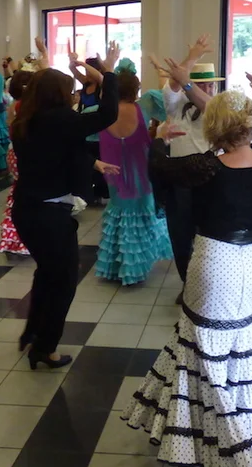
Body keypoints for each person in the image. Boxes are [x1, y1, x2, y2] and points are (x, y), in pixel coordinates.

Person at [123, 89, 252, 467]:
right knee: (240, 339)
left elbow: (157, 166)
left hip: (215, 259)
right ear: (250, 125)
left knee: (203, 341)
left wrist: (159, 137)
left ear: (213, 127)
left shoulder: (205, 167)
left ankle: (234, 441)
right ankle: (232, 423)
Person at [12, 42, 120, 369]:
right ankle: (45, 348)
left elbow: (57, 152)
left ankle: (33, 333)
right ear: (58, 95)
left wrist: (93, 163)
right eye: (70, 91)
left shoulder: (27, 119)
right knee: (63, 283)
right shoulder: (59, 120)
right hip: (49, 216)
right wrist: (109, 72)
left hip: (27, 209)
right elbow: (108, 114)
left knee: (47, 274)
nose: (74, 95)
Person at [156, 36, 252, 298]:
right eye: (202, 84)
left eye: (211, 83)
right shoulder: (176, 105)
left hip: (212, 178)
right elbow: (174, 85)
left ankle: (204, 282)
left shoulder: (220, 110)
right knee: (180, 235)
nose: (208, 88)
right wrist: (192, 57)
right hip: (181, 178)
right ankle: (188, 282)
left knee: (205, 233)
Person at [95, 59, 173, 285]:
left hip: (113, 172)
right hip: (141, 170)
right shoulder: (144, 106)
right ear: (135, 89)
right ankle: (135, 267)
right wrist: (160, 73)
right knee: (142, 210)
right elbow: (168, 99)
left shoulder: (101, 113)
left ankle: (115, 265)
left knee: (119, 212)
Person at [0, 71, 34, 256]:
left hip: (13, 151)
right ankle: (23, 239)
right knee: (27, 195)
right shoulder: (26, 107)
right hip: (23, 154)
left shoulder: (14, 105)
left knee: (19, 193)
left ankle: (15, 237)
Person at [72, 52, 108, 205]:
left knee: (99, 161)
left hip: (99, 132)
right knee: (86, 163)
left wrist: (84, 64)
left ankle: (101, 193)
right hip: (85, 130)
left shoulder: (101, 85)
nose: (86, 74)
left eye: (88, 70)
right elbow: (73, 71)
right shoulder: (86, 84)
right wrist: (73, 61)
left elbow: (101, 77)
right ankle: (87, 193)